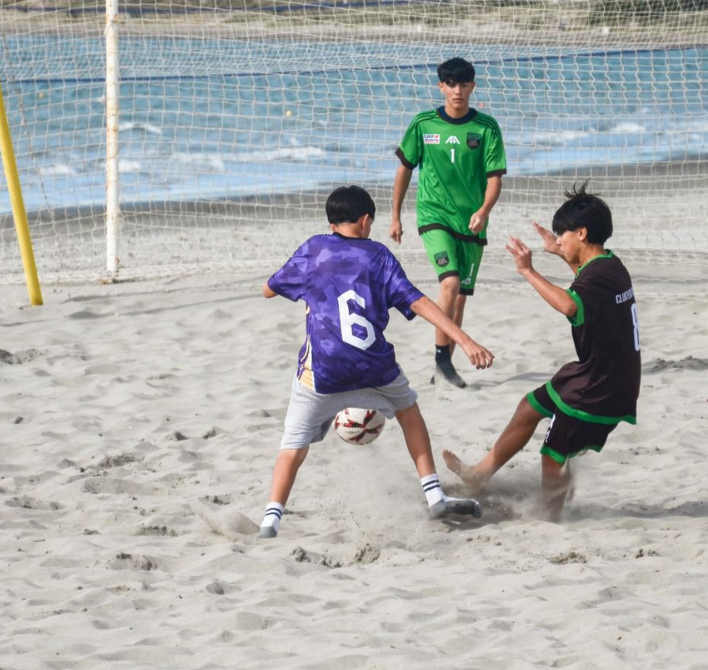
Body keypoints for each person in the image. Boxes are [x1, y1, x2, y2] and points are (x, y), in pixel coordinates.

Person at [258, 185, 494, 539]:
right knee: (409, 411)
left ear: (331, 221)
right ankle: (433, 494)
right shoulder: (379, 256)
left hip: (322, 374)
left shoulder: (313, 250)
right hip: (375, 368)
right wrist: (464, 339)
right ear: (366, 220)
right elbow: (417, 302)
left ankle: (270, 521)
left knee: (292, 445)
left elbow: (268, 289)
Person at [443, 182, 641, 522]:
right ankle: (480, 474)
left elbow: (568, 304)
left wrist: (527, 271)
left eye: (561, 235)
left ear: (581, 232)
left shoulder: (596, 278)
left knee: (552, 453)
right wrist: (560, 254)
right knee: (529, 407)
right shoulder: (609, 265)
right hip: (597, 372)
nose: (558, 240)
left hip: (600, 385)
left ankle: (551, 517)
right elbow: (582, 285)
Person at [390, 57, 507, 389]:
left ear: (472, 86)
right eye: (451, 84)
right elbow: (404, 169)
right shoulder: (423, 124)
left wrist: (483, 210)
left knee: (458, 299)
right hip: (433, 217)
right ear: (441, 87)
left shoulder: (486, 127)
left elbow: (494, 179)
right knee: (449, 284)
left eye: (463, 84)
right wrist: (395, 215)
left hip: (471, 224)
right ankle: (442, 359)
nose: (457, 91)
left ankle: (444, 369)